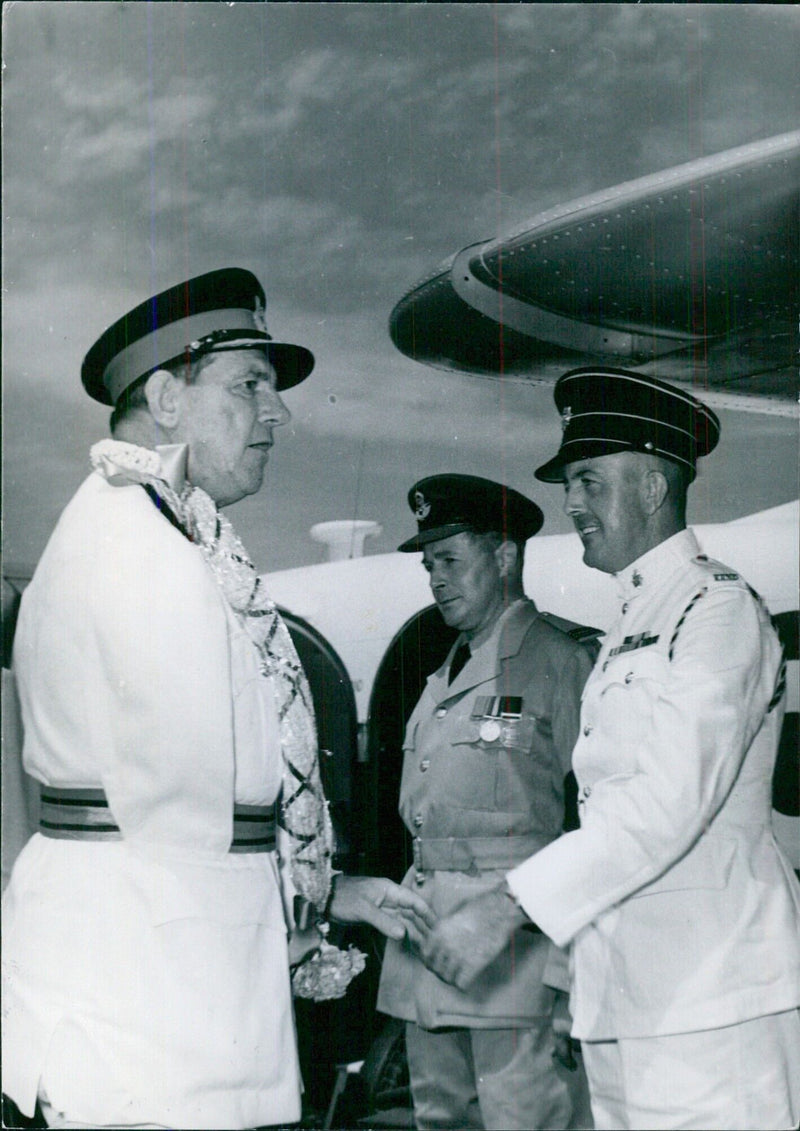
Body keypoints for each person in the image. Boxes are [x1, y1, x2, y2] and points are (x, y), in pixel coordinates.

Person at [1, 268, 434, 1131]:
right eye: (250, 385)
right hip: (155, 990)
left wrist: (331, 892)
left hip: (171, 971)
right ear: (165, 398)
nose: (279, 413)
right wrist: (308, 915)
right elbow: (181, 805)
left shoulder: (155, 529)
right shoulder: (140, 548)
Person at [419, 368, 800, 1130]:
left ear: (655, 488)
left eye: (590, 480)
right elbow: (603, 817)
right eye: (570, 484)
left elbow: (665, 803)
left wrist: (508, 902)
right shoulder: (636, 616)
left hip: (708, 1004)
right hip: (626, 1000)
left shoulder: (714, 612)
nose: (571, 503)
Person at [376, 474, 597, 1130]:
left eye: (449, 560)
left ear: (504, 557)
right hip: (431, 959)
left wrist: (571, 983)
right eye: (428, 566)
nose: (435, 580)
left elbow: (597, 825)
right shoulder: (441, 672)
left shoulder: (559, 660)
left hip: (517, 964)